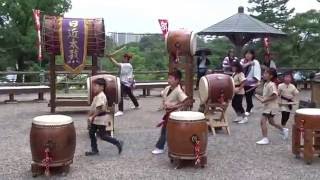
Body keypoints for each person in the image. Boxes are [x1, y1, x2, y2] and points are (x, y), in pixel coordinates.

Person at [152, 70, 190, 155]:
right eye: (168, 78)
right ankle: (179, 145)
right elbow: (164, 97)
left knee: (165, 130)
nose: (168, 80)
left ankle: (160, 147)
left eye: (171, 78)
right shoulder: (167, 88)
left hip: (175, 114)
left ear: (177, 80)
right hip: (168, 113)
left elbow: (186, 102)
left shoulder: (179, 90)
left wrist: (174, 106)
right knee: (172, 131)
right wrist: (164, 105)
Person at [85, 78, 123, 156]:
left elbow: (99, 109)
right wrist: (90, 115)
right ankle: (94, 150)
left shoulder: (101, 96)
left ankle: (117, 142)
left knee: (103, 136)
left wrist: (92, 117)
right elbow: (94, 107)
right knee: (91, 133)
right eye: (94, 86)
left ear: (102, 87)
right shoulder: (98, 95)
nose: (94, 87)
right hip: (96, 119)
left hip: (100, 119)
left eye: (96, 86)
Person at [255, 68, 289, 145]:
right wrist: (259, 96)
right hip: (268, 106)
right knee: (271, 122)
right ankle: (284, 130)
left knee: (262, 121)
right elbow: (265, 95)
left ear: (271, 76)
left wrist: (264, 100)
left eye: (266, 73)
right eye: (264, 73)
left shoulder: (271, 84)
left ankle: (265, 138)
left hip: (271, 107)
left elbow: (275, 95)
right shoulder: (266, 84)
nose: (264, 75)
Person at [240, 50, 261, 116]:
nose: (248, 55)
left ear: (252, 55)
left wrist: (257, 81)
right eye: (247, 54)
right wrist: (248, 63)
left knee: (248, 95)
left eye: (250, 54)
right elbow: (240, 67)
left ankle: (248, 109)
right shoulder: (242, 61)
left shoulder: (255, 62)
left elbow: (257, 72)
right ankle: (250, 105)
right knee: (244, 95)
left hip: (252, 82)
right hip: (243, 81)